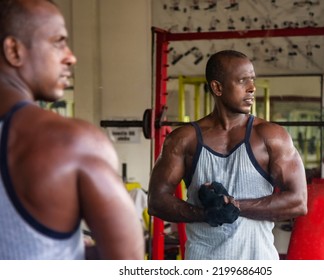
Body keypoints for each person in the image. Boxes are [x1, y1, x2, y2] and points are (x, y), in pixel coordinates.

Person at [0, 0, 144, 260]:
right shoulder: (74, 143)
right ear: (14, 51)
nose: (71, 56)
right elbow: (127, 263)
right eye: (58, 42)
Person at [148, 50, 308, 260]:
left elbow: (298, 201)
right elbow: (156, 200)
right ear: (217, 87)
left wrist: (235, 206)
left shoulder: (271, 136)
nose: (252, 88)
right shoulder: (184, 139)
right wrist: (206, 214)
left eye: (252, 80)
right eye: (243, 81)